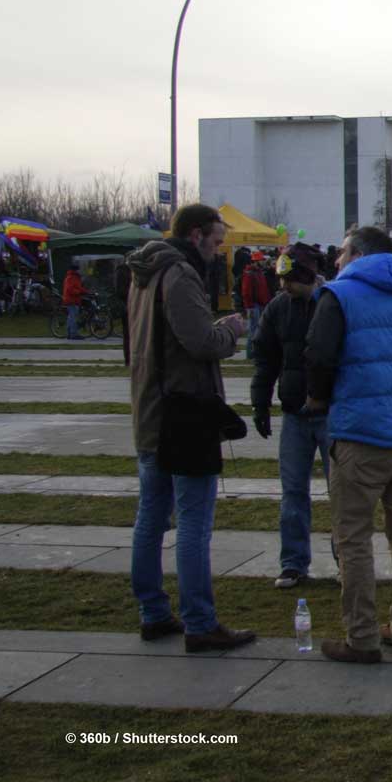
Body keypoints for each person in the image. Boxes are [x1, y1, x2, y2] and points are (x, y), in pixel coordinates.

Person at [125, 203, 254, 653]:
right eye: (217, 242)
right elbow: (200, 342)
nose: (219, 252)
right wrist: (231, 331)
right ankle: (200, 621)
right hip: (183, 414)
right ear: (196, 234)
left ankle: (153, 611)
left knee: (151, 518)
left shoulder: (144, 273)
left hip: (151, 409)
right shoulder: (179, 274)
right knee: (193, 523)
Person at [304, 225, 392, 664]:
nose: (335, 262)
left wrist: (317, 398)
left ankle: (362, 635)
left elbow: (318, 355)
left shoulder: (339, 295)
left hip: (359, 431)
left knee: (353, 537)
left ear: (356, 254)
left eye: (339, 253)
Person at [250, 243, 330, 589]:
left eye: (289, 281)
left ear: (306, 276)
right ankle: (293, 563)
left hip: (331, 412)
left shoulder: (333, 303)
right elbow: (265, 359)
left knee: (342, 492)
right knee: (293, 492)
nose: (282, 287)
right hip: (294, 414)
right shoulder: (278, 308)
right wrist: (260, 403)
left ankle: (348, 560)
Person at [239, 251, 272, 358]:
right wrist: (250, 306)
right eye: (261, 260)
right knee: (253, 330)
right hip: (254, 306)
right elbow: (246, 292)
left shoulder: (258, 272)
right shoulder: (250, 273)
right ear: (256, 261)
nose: (263, 262)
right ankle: (250, 353)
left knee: (257, 329)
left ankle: (254, 352)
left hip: (259, 304)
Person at [61, 262, 86, 339]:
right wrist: (80, 292)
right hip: (72, 300)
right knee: (73, 317)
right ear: (75, 270)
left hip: (72, 300)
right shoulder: (72, 277)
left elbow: (78, 287)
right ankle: (73, 334)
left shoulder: (74, 277)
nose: (79, 271)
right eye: (78, 269)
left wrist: (85, 291)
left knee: (71, 317)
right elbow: (70, 289)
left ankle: (69, 333)